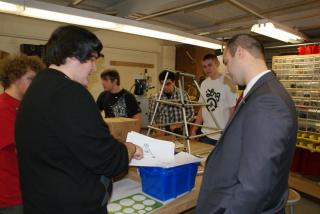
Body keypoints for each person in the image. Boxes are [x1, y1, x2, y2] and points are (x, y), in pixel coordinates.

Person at [15, 25, 143, 214]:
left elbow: (74, 143)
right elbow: (108, 160)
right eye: (92, 59)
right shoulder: (70, 93)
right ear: (73, 55)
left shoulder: (38, 87)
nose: (93, 68)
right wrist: (129, 147)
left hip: (42, 201)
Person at [196, 34, 297, 213]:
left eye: (226, 62)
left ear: (240, 53)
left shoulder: (267, 101)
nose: (226, 70)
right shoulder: (262, 93)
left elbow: (255, 187)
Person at [0, 54, 45, 214]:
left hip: (28, 189)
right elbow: (25, 149)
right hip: (10, 195)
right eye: (31, 79)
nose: (36, 85)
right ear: (13, 78)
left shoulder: (26, 106)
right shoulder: (3, 108)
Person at [191, 53, 236, 145]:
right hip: (206, 134)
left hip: (222, 135)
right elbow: (202, 110)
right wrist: (194, 130)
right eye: (204, 66)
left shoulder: (229, 83)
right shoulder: (204, 84)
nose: (207, 69)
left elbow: (233, 110)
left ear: (217, 64)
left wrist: (229, 131)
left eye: (210, 65)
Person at [148, 70, 194, 134]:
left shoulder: (183, 95)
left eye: (168, 84)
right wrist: (159, 132)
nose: (165, 87)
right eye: (162, 84)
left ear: (174, 82)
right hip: (163, 133)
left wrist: (179, 124)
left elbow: (191, 114)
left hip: (180, 134)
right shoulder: (156, 97)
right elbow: (151, 118)